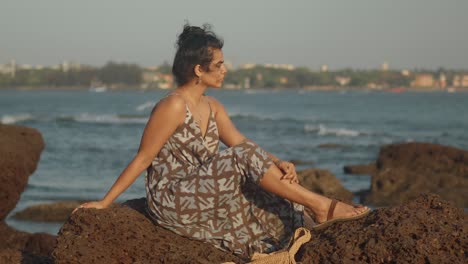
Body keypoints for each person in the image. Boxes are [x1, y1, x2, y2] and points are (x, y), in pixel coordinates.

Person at [75, 23, 370, 259]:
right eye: (219, 64)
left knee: (272, 196)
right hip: (173, 199)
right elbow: (143, 158)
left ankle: (306, 222)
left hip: (204, 195)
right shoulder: (173, 106)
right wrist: (105, 202)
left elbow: (241, 142)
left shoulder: (214, 107)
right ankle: (322, 206)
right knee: (242, 157)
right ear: (199, 70)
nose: (225, 70)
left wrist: (277, 162)